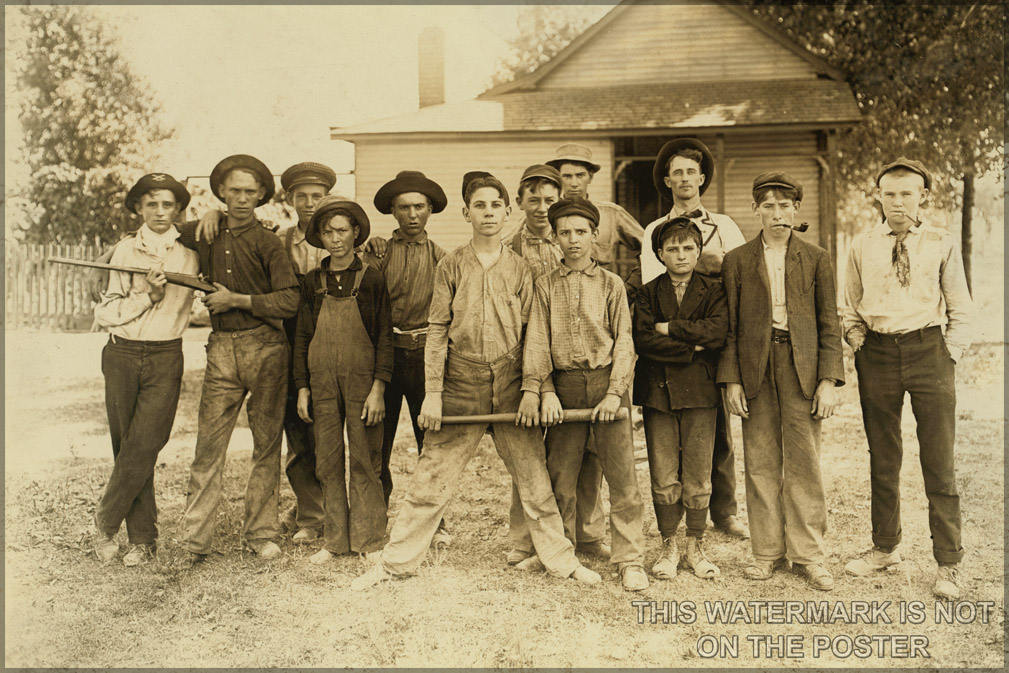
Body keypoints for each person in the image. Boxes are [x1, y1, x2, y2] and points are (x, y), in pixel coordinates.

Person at [350, 173, 600, 590]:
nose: (488, 213)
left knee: (534, 479)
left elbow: (533, 335)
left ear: (507, 211)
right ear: (467, 213)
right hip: (461, 382)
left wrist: (531, 390)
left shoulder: (521, 269)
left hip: (509, 383)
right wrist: (432, 394)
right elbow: (437, 330)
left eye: (495, 205)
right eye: (479, 206)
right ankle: (395, 563)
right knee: (432, 476)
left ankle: (561, 560)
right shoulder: (449, 265)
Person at [841, 158, 973, 600]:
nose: (898, 202)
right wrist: (859, 340)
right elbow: (849, 304)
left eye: (907, 193)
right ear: (879, 196)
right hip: (876, 353)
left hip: (928, 351)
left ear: (923, 197)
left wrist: (948, 353)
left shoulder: (941, 242)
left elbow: (960, 306)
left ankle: (949, 563)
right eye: (890, 193)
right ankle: (885, 546)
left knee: (939, 460)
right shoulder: (862, 245)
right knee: (884, 455)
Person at [718, 172, 844, 591]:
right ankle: (767, 552)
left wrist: (828, 379)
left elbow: (830, 324)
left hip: (801, 367)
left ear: (796, 210)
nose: (777, 214)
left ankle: (808, 555)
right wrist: (732, 380)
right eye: (768, 206)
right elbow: (731, 328)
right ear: (756, 210)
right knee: (760, 460)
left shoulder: (816, 257)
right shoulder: (737, 260)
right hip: (755, 366)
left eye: (785, 205)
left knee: (804, 460)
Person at [521, 196, 648, 591]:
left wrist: (614, 393)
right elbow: (537, 342)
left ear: (595, 235)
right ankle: (562, 550)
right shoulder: (544, 286)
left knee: (622, 476)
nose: (573, 240)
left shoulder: (611, 285)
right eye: (564, 233)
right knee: (562, 474)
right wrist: (544, 390)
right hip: (565, 387)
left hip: (606, 382)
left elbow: (625, 341)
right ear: (555, 238)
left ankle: (630, 559)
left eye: (580, 232)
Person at [178, 154, 301, 563]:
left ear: (263, 194)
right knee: (208, 447)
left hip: (266, 349)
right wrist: (207, 215)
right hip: (221, 351)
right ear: (222, 193)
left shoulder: (269, 242)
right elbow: (161, 232)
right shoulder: (205, 232)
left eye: (251, 191)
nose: (243, 199)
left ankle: (261, 534)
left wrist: (237, 300)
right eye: (234, 191)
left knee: (267, 446)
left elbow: (288, 299)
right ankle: (195, 541)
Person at [635, 138, 749, 539]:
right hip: (670, 339)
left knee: (716, 425)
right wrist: (685, 335)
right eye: (677, 172)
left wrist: (712, 332)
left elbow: (739, 279)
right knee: (671, 430)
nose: (684, 179)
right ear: (667, 181)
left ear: (702, 178)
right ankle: (675, 515)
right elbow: (654, 288)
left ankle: (724, 510)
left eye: (691, 172)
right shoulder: (654, 230)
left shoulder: (725, 226)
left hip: (717, 331)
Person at [504, 164, 609, 565]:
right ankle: (527, 537)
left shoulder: (572, 238)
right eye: (535, 200)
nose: (542, 207)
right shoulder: (511, 247)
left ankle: (587, 532)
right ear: (521, 203)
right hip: (526, 355)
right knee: (530, 451)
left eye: (550, 199)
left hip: (572, 357)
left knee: (587, 450)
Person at [92, 173, 198, 565]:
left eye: (167, 204)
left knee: (145, 442)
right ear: (138, 207)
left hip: (165, 355)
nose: (159, 211)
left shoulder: (189, 255)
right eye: (151, 203)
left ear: (177, 210)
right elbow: (106, 313)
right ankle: (143, 540)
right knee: (128, 446)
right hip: (121, 354)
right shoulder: (124, 251)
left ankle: (103, 523)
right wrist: (147, 296)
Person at [293, 196, 393, 563]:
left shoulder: (371, 279)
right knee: (328, 457)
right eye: (328, 232)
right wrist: (302, 386)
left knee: (366, 457)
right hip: (321, 382)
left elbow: (384, 335)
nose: (336, 238)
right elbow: (302, 336)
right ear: (320, 236)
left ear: (355, 233)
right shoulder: (312, 281)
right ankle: (334, 541)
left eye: (342, 231)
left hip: (362, 381)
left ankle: (369, 540)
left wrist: (379, 388)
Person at [632, 217, 728, 581]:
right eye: (672, 248)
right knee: (663, 469)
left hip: (701, 392)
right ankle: (669, 543)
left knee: (699, 472)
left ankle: (696, 543)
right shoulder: (647, 292)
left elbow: (718, 332)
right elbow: (642, 340)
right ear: (659, 254)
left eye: (688, 247)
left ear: (699, 250)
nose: (681, 255)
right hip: (658, 391)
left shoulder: (713, 289)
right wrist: (693, 347)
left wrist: (670, 328)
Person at [361, 171, 451, 547]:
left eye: (419, 206)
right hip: (383, 354)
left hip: (425, 356)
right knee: (375, 440)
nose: (412, 214)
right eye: (404, 208)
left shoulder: (444, 259)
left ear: (430, 209)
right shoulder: (377, 254)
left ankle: (434, 522)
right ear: (393, 212)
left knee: (430, 443)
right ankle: (373, 517)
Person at [545, 143, 644, 277]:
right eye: (567, 176)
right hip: (558, 291)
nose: (574, 183)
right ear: (558, 179)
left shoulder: (611, 214)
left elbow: (651, 246)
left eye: (580, 175)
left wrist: (634, 282)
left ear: (590, 177)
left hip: (603, 292)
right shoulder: (545, 215)